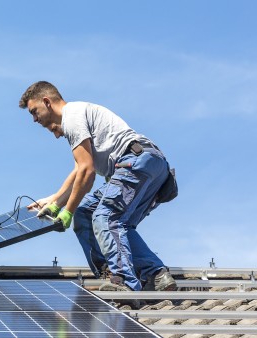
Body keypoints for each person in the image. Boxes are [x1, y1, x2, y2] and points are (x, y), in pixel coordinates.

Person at [19, 81, 176, 292]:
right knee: (87, 214)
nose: (34, 119)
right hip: (151, 165)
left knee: (105, 217)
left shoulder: (71, 116)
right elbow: (78, 171)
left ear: (46, 102)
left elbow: (87, 172)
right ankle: (156, 274)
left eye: (34, 112)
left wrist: (66, 212)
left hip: (133, 162)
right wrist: (54, 200)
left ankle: (121, 281)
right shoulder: (79, 115)